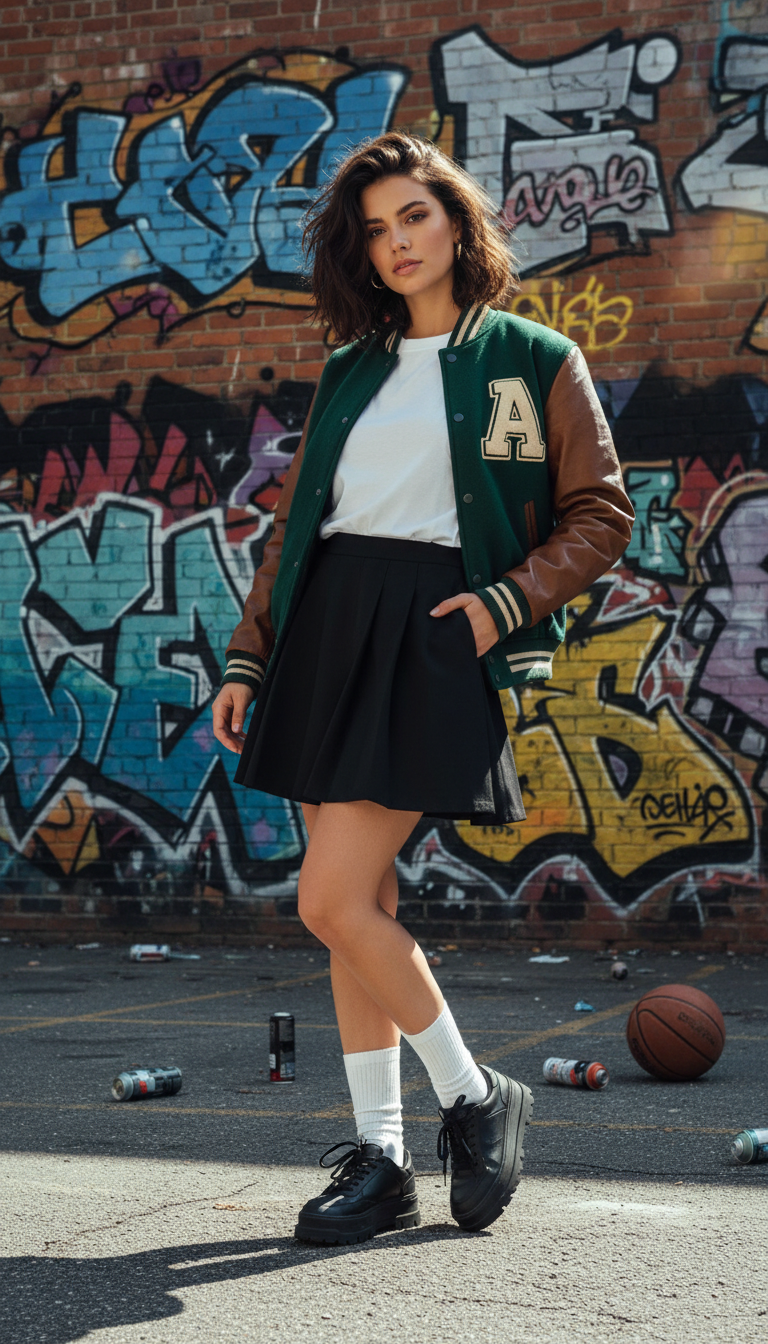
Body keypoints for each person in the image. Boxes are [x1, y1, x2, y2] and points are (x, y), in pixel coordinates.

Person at [212, 131, 633, 1244]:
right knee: (361, 915)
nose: (395, 243)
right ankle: (384, 1163)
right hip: (328, 628)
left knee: (328, 901)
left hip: (436, 627)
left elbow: (602, 513)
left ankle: (477, 1095)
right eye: (374, 229)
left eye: (414, 217)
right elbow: (298, 532)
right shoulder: (351, 366)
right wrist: (253, 655)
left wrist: (506, 601)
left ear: (456, 221)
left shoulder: (535, 358)